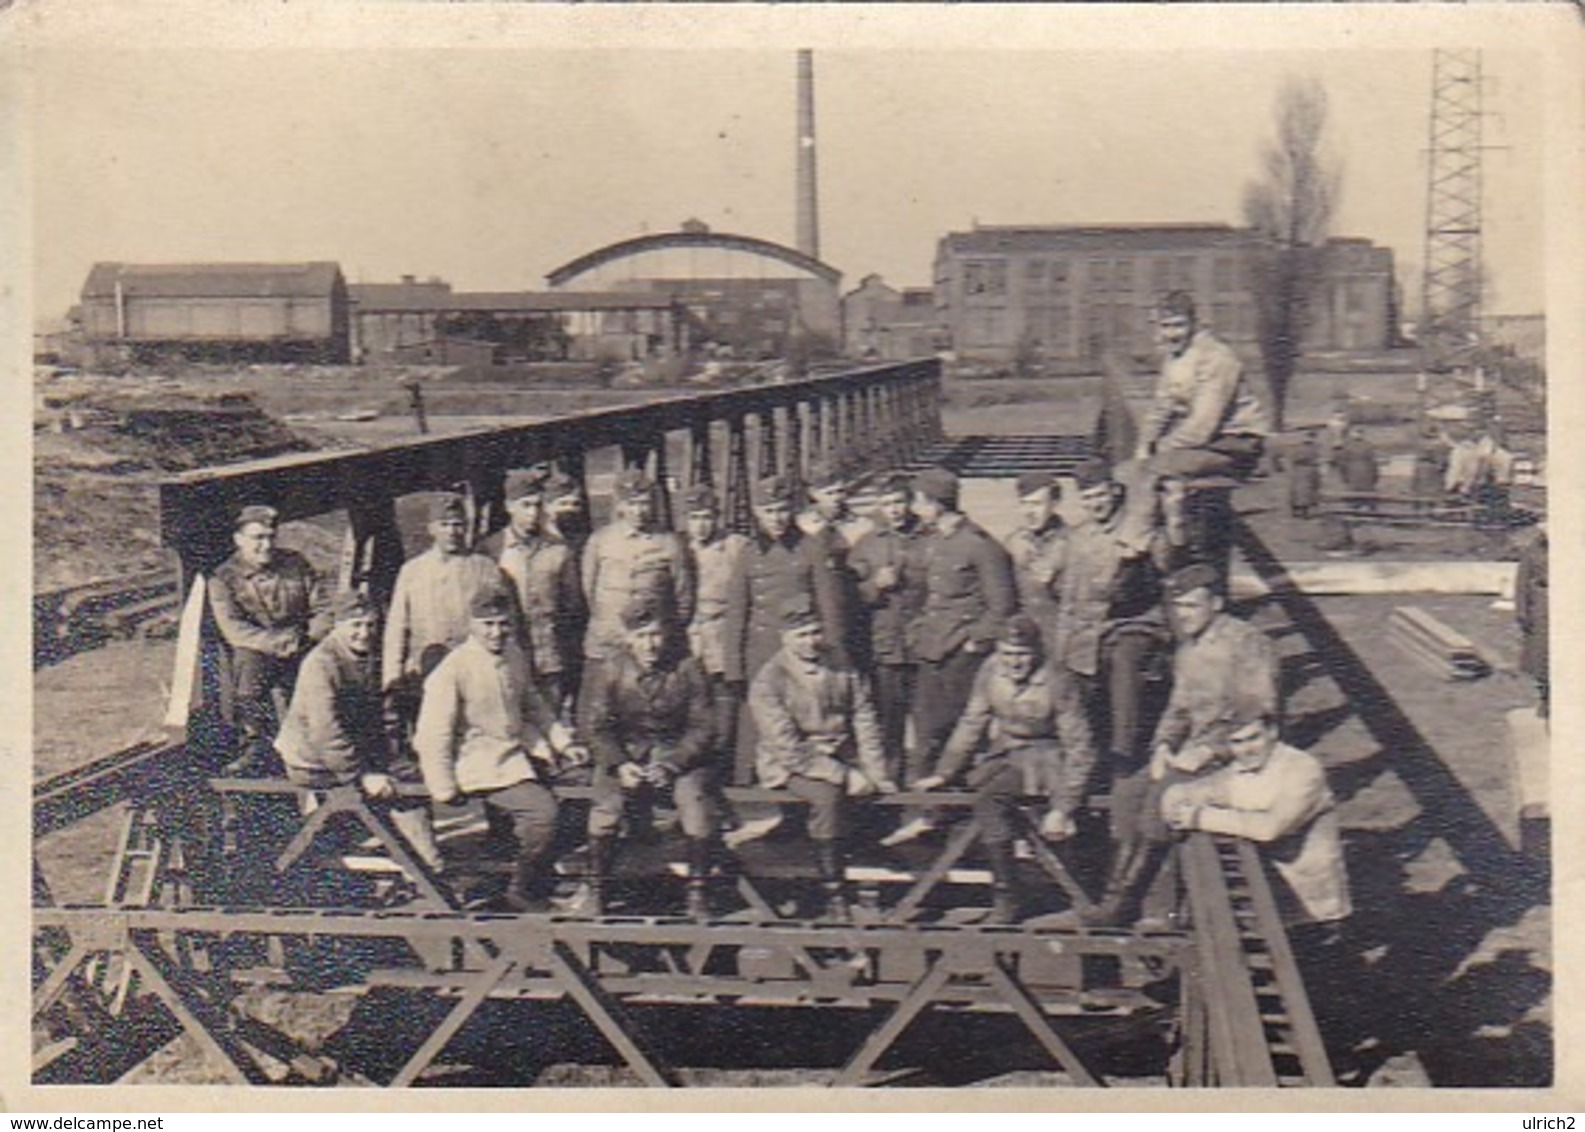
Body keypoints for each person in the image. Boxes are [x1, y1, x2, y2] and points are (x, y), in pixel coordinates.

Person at [1086, 562, 1279, 927]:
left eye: (1192, 606)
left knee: (1166, 795)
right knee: (1129, 792)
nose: (1183, 615)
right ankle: (1127, 896)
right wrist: (1163, 746)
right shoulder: (1189, 648)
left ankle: (1131, 902)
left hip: (1238, 754)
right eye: (1178, 607)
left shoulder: (1246, 643)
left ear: (1217, 604)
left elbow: (1259, 712)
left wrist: (1211, 751)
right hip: (1192, 750)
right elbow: (1178, 709)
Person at [412, 587, 587, 912]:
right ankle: (525, 889)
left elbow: (533, 704)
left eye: (503, 624)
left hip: (517, 752)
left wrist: (564, 743)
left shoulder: (513, 655)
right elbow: (432, 734)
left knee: (582, 794)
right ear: (472, 625)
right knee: (543, 814)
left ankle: (519, 876)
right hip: (480, 763)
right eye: (488, 624)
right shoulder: (454, 669)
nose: (497, 632)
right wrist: (443, 786)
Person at [914, 616, 1097, 924]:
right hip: (1005, 752)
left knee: (994, 800)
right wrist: (945, 771)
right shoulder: (989, 670)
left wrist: (1064, 807)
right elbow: (972, 722)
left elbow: (1080, 746)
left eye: (1022, 654)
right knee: (962, 798)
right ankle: (989, 888)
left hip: (1046, 758)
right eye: (1007, 654)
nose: (1014, 662)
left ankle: (1012, 895)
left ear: (1036, 652)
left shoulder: (1057, 680)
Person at [888, 466, 1017, 846]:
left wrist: (974, 643)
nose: (913, 507)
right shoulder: (935, 541)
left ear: (935, 504)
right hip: (932, 652)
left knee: (962, 738)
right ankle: (931, 816)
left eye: (918, 500)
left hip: (961, 657)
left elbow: (1002, 606)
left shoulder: (979, 545)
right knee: (928, 737)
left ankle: (960, 821)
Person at [749, 594, 897, 920]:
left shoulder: (840, 664)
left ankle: (870, 871)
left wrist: (875, 772)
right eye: (801, 635)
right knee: (828, 797)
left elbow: (864, 717)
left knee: (881, 790)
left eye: (816, 632)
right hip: (790, 762)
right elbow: (787, 747)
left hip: (840, 753)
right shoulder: (769, 679)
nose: (811, 641)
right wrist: (844, 775)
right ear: (784, 637)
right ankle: (835, 893)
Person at [275, 589, 442, 878]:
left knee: (411, 774)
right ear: (338, 626)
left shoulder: (366, 657)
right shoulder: (322, 664)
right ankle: (427, 871)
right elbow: (325, 732)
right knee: (400, 790)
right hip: (312, 760)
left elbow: (377, 713)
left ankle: (420, 862)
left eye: (370, 625)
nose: (364, 633)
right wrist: (363, 775)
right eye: (355, 625)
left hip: (345, 753)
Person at [722, 474, 851, 847]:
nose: (776, 518)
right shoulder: (747, 553)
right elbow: (737, 613)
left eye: (781, 510)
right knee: (765, 741)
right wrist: (734, 667)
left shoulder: (811, 549)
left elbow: (831, 613)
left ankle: (807, 819)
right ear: (757, 513)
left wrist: (831, 659)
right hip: (760, 659)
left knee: (803, 736)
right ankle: (777, 817)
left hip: (801, 661)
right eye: (768, 511)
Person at [581, 598, 719, 919]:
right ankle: (596, 888)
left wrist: (674, 764)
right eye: (641, 636)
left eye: (656, 634)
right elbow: (595, 726)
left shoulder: (688, 668)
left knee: (694, 802)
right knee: (606, 806)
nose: (650, 644)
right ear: (628, 638)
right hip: (628, 752)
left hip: (677, 753)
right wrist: (619, 763)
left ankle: (698, 891)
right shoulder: (611, 669)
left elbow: (704, 726)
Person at [1162, 699, 1351, 926]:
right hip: (1268, 891)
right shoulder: (1242, 768)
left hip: (1310, 904)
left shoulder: (1302, 769)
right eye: (1237, 742)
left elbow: (1269, 828)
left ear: (1272, 732)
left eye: (1254, 738)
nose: (1248, 749)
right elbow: (1210, 789)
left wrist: (1197, 818)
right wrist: (1176, 795)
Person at [1054, 458, 1175, 806]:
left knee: (1126, 661)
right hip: (1088, 631)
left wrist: (1163, 523)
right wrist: (1062, 650)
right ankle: (1088, 771)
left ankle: (1125, 758)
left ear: (1114, 491)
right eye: (1088, 498)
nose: (1096, 504)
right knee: (1076, 694)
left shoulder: (1137, 526)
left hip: (1135, 622)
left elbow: (1168, 560)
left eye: (1101, 495)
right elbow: (1069, 600)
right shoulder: (1079, 537)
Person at [1116, 290, 1270, 554]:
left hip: (1235, 445)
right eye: (1165, 326)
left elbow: (1202, 425)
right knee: (1125, 472)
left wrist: (1163, 447)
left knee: (1154, 470)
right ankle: (1168, 523)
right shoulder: (1175, 357)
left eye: (1179, 325)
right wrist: (1143, 445)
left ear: (1194, 324)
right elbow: (1160, 408)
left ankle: (1135, 544)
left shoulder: (1216, 357)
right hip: (1204, 445)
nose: (1172, 334)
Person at [208, 503, 329, 774]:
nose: (266, 545)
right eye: (257, 538)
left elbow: (322, 608)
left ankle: (322, 742)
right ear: (239, 540)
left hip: (303, 642)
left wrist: (310, 637)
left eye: (270, 537)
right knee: (248, 667)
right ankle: (258, 743)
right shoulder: (223, 578)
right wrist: (277, 644)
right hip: (260, 651)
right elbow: (234, 629)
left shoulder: (296, 564)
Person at [382, 493, 511, 735]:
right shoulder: (413, 571)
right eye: (445, 525)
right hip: (425, 671)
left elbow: (504, 621)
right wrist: (392, 677)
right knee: (430, 735)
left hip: (471, 669)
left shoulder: (484, 567)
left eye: (458, 524)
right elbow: (397, 628)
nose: (452, 531)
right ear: (432, 528)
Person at [849, 473, 926, 786]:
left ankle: (926, 789)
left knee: (926, 723)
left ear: (909, 503)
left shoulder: (929, 538)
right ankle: (890, 788)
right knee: (887, 724)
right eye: (886, 504)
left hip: (924, 646)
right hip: (886, 649)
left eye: (898, 502)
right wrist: (874, 587)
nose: (893, 510)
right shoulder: (867, 544)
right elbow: (850, 595)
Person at [580, 468, 694, 675]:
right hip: (608, 642)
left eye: (644, 503)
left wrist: (663, 633)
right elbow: (589, 591)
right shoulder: (601, 540)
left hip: (652, 646)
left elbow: (683, 597)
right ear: (620, 505)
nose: (638, 511)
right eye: (631, 503)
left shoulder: (668, 542)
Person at [496, 467, 585, 709]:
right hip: (510, 657)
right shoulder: (494, 550)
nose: (532, 513)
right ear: (509, 506)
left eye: (537, 505)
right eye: (525, 505)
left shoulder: (559, 550)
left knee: (552, 722)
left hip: (550, 660)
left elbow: (573, 608)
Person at [680, 483, 751, 764]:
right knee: (692, 710)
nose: (701, 525)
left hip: (723, 637)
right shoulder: (678, 546)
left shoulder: (735, 547)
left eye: (707, 517)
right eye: (694, 518)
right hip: (689, 639)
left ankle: (725, 768)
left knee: (725, 707)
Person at [795, 462, 868, 670]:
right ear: (813, 493)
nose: (837, 498)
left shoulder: (862, 526)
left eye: (840, 491)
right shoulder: (801, 527)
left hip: (857, 612)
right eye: (829, 492)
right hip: (816, 616)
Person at [1003, 470, 1068, 658]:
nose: (1029, 512)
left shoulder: (1074, 543)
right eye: (1024, 504)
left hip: (1061, 643)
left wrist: (1057, 583)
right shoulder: (1014, 542)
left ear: (1054, 504)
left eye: (1037, 504)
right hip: (1022, 645)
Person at [1515, 523, 1549, 719]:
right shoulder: (1532, 551)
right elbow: (1522, 582)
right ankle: (1544, 698)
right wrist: (1522, 611)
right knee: (1541, 657)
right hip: (1541, 610)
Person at [1335, 427, 1380, 500]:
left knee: (1359, 495)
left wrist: (1344, 476)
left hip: (1360, 473)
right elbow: (1343, 463)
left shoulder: (1349, 446)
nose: (1357, 435)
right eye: (1357, 433)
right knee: (1361, 495)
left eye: (1359, 433)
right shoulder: (1367, 445)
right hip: (1359, 473)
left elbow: (1373, 462)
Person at [1288, 432, 1323, 519]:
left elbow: (1293, 460)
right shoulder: (1312, 448)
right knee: (1304, 490)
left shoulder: (1300, 447)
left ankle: (1299, 509)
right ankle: (1302, 510)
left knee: (1302, 490)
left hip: (1303, 470)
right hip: (1306, 469)